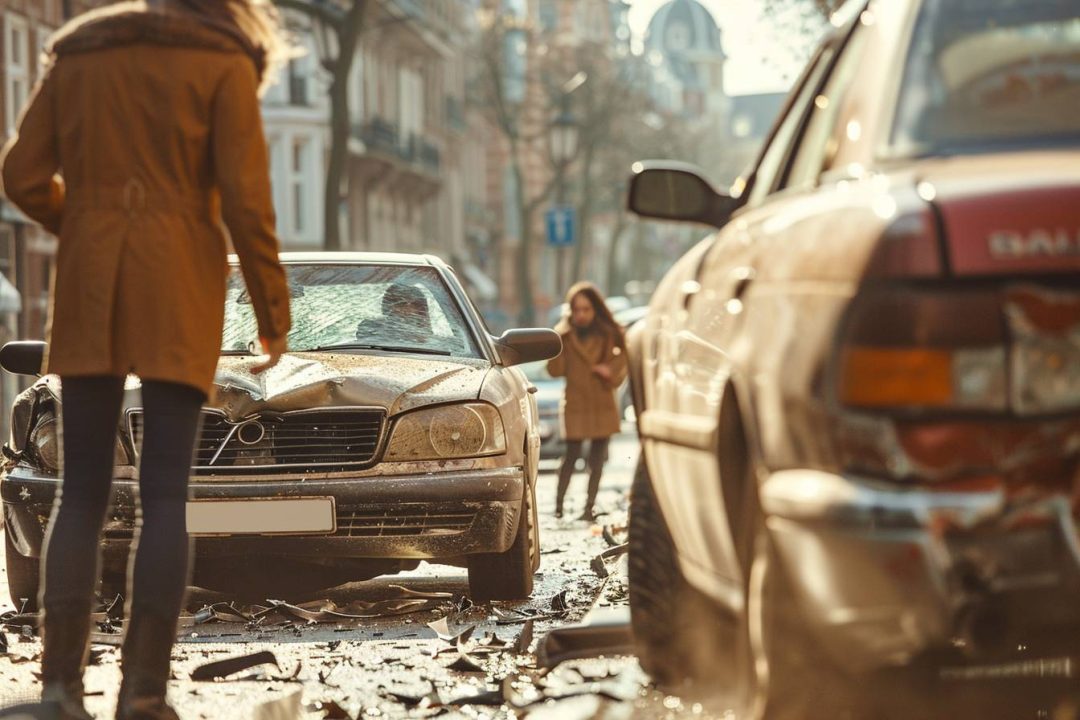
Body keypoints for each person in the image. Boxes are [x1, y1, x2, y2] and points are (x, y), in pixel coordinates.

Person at [0, 1, 292, 718]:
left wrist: (91, 219)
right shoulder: (223, 61)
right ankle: (143, 694)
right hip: (179, 286)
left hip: (93, 284)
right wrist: (272, 315)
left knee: (81, 493)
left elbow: (22, 175)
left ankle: (61, 688)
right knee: (165, 497)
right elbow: (248, 205)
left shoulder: (79, 53)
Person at [546, 282, 627, 520]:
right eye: (577, 309)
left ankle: (588, 508)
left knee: (597, 458)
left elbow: (624, 356)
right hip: (576, 402)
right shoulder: (565, 335)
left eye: (586, 309)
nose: (581, 315)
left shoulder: (608, 333)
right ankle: (559, 507)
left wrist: (609, 369)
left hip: (601, 401)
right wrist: (559, 339)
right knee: (571, 455)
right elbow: (554, 370)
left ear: (595, 310)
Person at [356, 282, 433, 345]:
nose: (408, 310)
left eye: (415, 305)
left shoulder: (434, 341)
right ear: (389, 306)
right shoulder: (372, 328)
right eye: (402, 304)